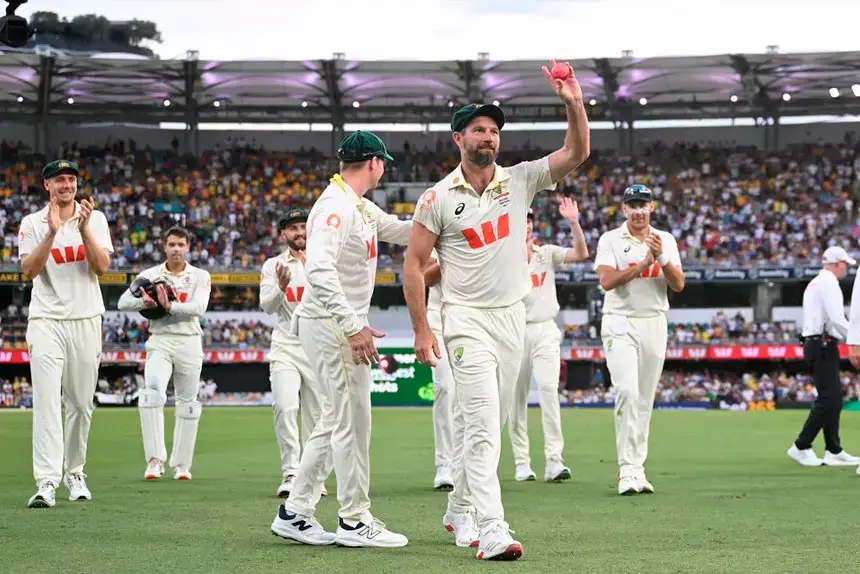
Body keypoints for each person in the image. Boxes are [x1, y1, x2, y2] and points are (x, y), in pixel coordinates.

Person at [403, 59, 590, 561]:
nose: (488, 137)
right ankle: (492, 528)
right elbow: (415, 267)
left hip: (513, 318)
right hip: (464, 321)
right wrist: (422, 330)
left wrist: (574, 105)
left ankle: (459, 509)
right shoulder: (436, 198)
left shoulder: (520, 181)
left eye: (494, 131)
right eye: (478, 130)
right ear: (458, 139)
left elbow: (577, 151)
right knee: (484, 424)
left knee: (485, 425)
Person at [270, 131, 412, 548]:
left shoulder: (358, 205)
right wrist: (353, 325)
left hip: (333, 320)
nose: (383, 168)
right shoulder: (335, 207)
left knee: (338, 417)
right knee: (349, 418)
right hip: (332, 322)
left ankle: (296, 512)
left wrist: (441, 219)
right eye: (382, 162)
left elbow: (402, 230)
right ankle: (353, 518)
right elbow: (319, 271)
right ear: (373, 163)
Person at [18, 160, 113, 508]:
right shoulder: (32, 223)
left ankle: (74, 472)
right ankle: (46, 481)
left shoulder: (96, 219)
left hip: (86, 318)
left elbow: (101, 267)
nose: (67, 185)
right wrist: (52, 232)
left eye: (71, 180)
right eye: (60, 180)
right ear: (47, 186)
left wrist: (84, 229)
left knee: (80, 404)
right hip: (45, 320)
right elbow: (28, 270)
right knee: (46, 401)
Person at [594, 184, 685, 495]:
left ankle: (637, 469)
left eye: (642, 205)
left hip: (654, 321)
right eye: (631, 205)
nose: (637, 210)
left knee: (644, 399)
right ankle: (627, 470)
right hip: (619, 320)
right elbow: (606, 281)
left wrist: (661, 258)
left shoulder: (665, 240)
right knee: (627, 392)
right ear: (624, 210)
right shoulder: (610, 240)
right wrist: (644, 264)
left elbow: (679, 284)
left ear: (651, 208)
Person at [117, 227, 212, 481]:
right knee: (152, 393)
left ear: (188, 247)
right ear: (165, 247)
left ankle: (181, 465)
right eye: (172, 244)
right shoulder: (150, 275)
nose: (176, 249)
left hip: (190, 341)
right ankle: (154, 460)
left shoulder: (200, 276)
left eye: (181, 244)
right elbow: (122, 302)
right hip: (160, 340)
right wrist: (144, 302)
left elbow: (199, 308)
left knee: (188, 404)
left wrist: (169, 306)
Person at [507, 201, 588, 483]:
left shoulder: (546, 253)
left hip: (545, 329)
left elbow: (581, 253)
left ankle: (554, 460)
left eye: (529, 220)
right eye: (522, 220)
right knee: (515, 400)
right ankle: (521, 462)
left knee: (549, 388)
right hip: (514, 330)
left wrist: (574, 222)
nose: (527, 224)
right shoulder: (503, 257)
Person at [259, 209, 328, 498]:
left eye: (303, 227)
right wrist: (281, 288)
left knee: (317, 417)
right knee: (285, 406)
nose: (299, 232)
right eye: (293, 228)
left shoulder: (324, 259)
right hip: (285, 346)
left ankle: (313, 477)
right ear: (284, 234)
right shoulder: (273, 265)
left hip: (318, 347)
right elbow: (267, 306)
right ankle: (291, 472)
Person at [789, 246, 860, 468]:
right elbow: (837, 320)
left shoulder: (816, 282)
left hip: (817, 342)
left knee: (833, 398)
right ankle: (801, 446)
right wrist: (855, 340)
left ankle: (833, 449)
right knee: (829, 398)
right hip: (822, 343)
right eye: (845, 266)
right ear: (837, 263)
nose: (846, 270)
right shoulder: (829, 283)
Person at [425, 249, 455, 491]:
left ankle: (473, 464)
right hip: (438, 320)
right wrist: (451, 256)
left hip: (473, 317)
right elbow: (426, 277)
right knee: (444, 388)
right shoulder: (436, 242)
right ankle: (445, 464)